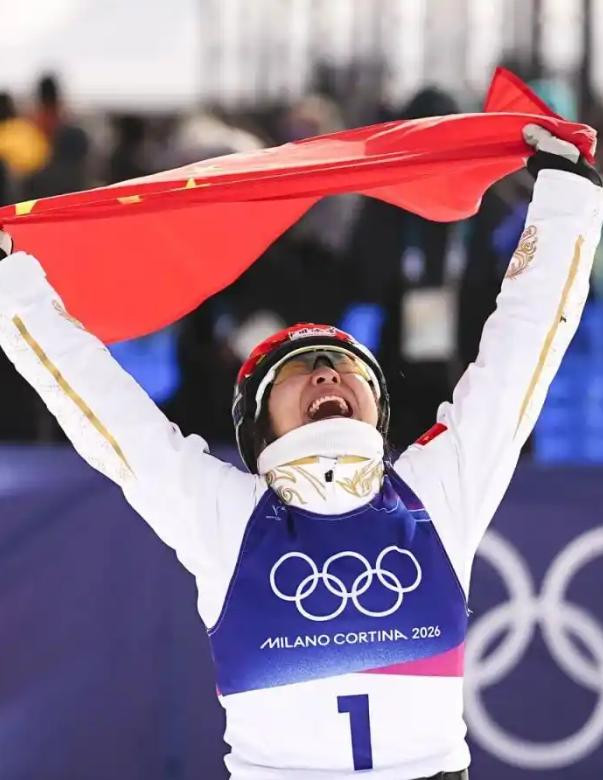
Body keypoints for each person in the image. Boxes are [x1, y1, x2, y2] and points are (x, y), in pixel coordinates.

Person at [0, 125, 601, 780]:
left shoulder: (436, 492)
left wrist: (565, 201)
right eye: (300, 368)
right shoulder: (225, 518)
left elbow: (522, 352)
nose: (327, 374)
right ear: (259, 428)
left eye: (346, 367)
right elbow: (106, 412)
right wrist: (12, 288)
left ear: (378, 409)